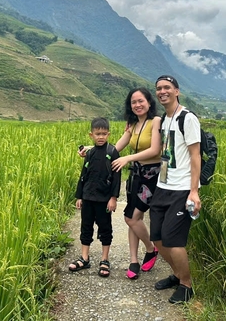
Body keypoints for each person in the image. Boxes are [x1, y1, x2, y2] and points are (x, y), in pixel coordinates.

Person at [150, 75, 201, 304]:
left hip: (182, 189)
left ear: (177, 91)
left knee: (173, 240)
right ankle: (177, 274)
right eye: (159, 88)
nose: (162, 91)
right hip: (163, 185)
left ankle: (186, 285)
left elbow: (195, 155)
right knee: (158, 239)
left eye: (167, 88)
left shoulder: (187, 118)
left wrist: (194, 191)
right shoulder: (164, 118)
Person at [110, 87, 162, 280]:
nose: (137, 105)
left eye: (141, 101)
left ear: (149, 103)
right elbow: (115, 149)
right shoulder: (132, 125)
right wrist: (92, 149)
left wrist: (128, 158)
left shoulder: (156, 121)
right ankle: (133, 260)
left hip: (152, 177)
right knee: (131, 216)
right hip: (136, 177)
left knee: (132, 218)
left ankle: (151, 249)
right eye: (133, 102)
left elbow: (156, 150)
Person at [69, 117, 121, 278]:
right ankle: (84, 258)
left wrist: (113, 198)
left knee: (105, 228)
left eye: (104, 134)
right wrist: (79, 196)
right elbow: (83, 175)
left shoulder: (112, 152)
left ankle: (105, 259)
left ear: (108, 134)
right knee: (86, 226)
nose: (101, 137)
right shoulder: (89, 153)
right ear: (91, 135)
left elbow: (116, 177)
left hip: (104, 199)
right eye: (97, 134)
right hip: (88, 198)